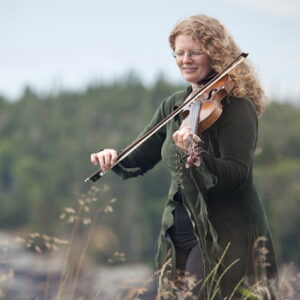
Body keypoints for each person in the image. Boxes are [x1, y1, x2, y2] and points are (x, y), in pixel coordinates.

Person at [90, 14, 278, 299]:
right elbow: (140, 157)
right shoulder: (175, 105)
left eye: (194, 52)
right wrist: (113, 157)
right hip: (177, 230)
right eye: (179, 53)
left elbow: (237, 175)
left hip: (225, 232)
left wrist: (198, 152)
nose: (185, 60)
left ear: (215, 54)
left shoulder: (237, 107)